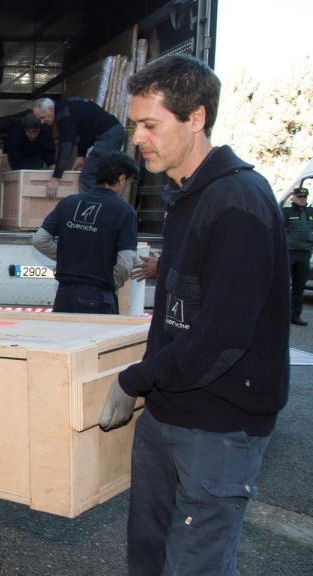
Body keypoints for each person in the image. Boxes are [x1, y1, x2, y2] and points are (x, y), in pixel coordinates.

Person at [98, 55, 290, 575]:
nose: (137, 139)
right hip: (170, 409)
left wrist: (135, 379)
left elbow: (222, 337)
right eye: (135, 124)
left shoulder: (238, 201)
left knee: (194, 564)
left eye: (150, 125)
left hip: (220, 425)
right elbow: (181, 312)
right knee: (150, 555)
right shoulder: (185, 194)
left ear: (196, 118)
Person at [31, 150, 139, 314]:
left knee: (65, 339)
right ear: (122, 178)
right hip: (98, 296)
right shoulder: (124, 211)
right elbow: (125, 263)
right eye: (128, 181)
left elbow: (40, 239)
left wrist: (70, 257)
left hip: (63, 295)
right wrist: (110, 283)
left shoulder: (69, 202)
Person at [32, 96, 125, 195]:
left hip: (110, 135)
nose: (42, 122)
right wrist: (81, 155)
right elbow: (86, 131)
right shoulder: (67, 107)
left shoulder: (63, 114)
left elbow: (66, 145)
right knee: (101, 175)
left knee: (88, 175)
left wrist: (56, 178)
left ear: (51, 109)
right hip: (112, 132)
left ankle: (92, 207)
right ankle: (103, 204)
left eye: (42, 117)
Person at [282, 187, 312, 325]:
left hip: (305, 254)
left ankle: (295, 316)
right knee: (281, 285)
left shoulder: (311, 212)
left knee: (299, 287)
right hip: (289, 253)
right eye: (299, 196)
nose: (302, 199)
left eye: (304, 197)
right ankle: (277, 315)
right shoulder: (286, 212)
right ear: (292, 198)